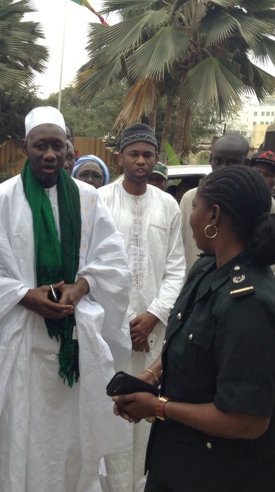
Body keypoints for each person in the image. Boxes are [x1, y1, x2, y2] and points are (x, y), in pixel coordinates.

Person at [0, 106, 132, 492]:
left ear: (69, 147)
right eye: (41, 145)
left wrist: (82, 285)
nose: (50, 154)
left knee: (72, 439)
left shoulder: (88, 199)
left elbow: (113, 263)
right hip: (19, 343)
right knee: (18, 437)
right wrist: (23, 295)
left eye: (58, 145)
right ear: (25, 146)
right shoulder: (0, 200)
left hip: (75, 345)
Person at [112, 165, 275, 492]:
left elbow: (247, 421)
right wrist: (151, 375)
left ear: (214, 215)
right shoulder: (208, 268)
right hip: (178, 460)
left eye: (194, 206)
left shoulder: (251, 305)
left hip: (225, 475)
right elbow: (188, 340)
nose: (189, 214)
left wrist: (156, 407)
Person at [99, 123, 185, 492]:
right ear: (120, 158)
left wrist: (153, 316)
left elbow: (176, 267)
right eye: (133, 153)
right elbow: (92, 266)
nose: (140, 160)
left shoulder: (168, 205)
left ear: (155, 160)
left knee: (150, 412)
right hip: (109, 329)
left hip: (155, 330)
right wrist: (122, 322)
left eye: (147, 154)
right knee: (112, 411)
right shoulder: (99, 200)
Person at [180, 134, 275, 284]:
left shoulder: (262, 201)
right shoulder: (190, 199)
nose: (223, 169)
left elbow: (270, 260)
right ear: (211, 159)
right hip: (195, 288)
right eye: (218, 161)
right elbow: (179, 251)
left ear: (245, 163)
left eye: (232, 163)